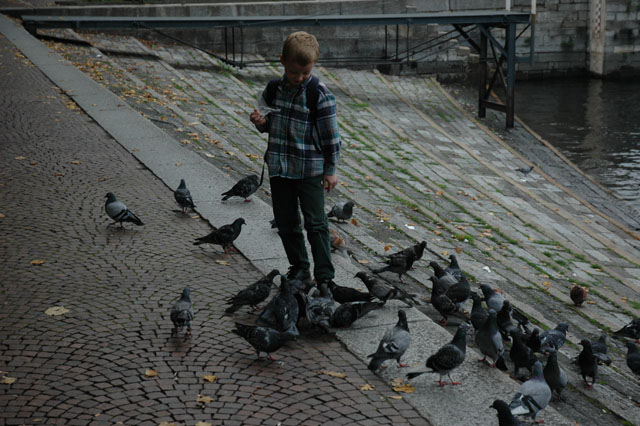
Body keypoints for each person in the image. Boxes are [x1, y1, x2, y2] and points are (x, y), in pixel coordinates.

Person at [250, 31, 341, 287]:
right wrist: (261, 122)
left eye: (305, 73)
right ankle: (300, 268)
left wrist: (330, 169)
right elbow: (270, 123)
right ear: (282, 61)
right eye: (294, 73)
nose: (299, 78)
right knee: (286, 221)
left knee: (316, 223)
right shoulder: (273, 89)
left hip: (310, 170)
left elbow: (331, 138)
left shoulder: (319, 94)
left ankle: (324, 276)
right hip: (280, 167)